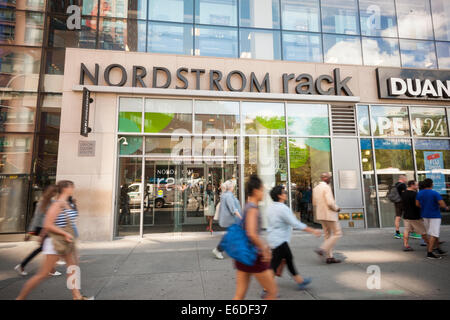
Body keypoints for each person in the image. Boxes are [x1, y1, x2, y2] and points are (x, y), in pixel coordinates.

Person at [16, 180, 93, 300]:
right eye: (72, 186)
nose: (73, 188)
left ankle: (77, 296)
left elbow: (69, 220)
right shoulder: (57, 204)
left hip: (66, 242)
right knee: (43, 274)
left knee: (73, 268)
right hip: (55, 243)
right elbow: (48, 224)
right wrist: (64, 234)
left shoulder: (67, 202)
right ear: (66, 188)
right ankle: (20, 297)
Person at [266, 185, 321, 292]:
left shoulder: (271, 207)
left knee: (289, 260)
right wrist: (313, 230)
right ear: (279, 196)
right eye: (284, 192)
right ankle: (266, 289)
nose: (286, 193)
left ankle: (300, 281)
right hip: (280, 241)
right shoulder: (282, 209)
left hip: (275, 239)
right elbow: (295, 223)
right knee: (274, 265)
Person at [233, 175, 278, 300]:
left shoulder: (247, 207)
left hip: (242, 255)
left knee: (239, 294)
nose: (263, 193)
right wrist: (264, 248)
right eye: (262, 190)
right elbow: (251, 233)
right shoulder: (253, 208)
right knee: (272, 291)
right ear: (256, 191)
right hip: (253, 256)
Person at [14, 185, 62, 277]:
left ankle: (50, 268)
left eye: (56, 192)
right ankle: (23, 266)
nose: (55, 193)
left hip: (48, 228)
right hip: (43, 229)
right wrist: (30, 233)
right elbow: (36, 219)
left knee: (46, 248)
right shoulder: (41, 204)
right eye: (54, 192)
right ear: (50, 193)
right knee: (46, 248)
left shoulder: (52, 202)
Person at [312, 172, 343, 264]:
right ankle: (322, 249)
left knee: (327, 235)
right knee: (337, 233)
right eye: (330, 178)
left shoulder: (316, 188)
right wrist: (337, 208)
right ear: (326, 179)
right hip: (329, 214)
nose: (330, 179)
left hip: (321, 215)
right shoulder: (326, 187)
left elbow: (314, 202)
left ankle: (329, 257)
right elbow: (330, 203)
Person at [416, 178, 448, 260]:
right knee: (434, 234)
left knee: (433, 233)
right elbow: (442, 204)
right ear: (431, 184)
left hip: (425, 215)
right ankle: (430, 252)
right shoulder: (434, 193)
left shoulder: (420, 193)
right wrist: (445, 207)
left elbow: (417, 204)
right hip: (435, 216)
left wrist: (425, 207)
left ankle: (437, 248)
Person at [212, 180, 242, 259]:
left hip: (230, 219)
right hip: (231, 219)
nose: (233, 187)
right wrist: (241, 217)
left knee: (233, 235)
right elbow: (233, 209)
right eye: (233, 186)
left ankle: (234, 250)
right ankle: (218, 249)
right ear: (230, 187)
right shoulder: (228, 196)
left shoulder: (226, 195)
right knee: (231, 236)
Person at [400, 180, 429, 251]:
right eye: (416, 185)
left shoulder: (403, 193)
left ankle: (406, 245)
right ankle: (430, 245)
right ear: (412, 185)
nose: (417, 186)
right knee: (423, 231)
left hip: (406, 215)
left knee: (406, 230)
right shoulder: (415, 194)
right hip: (415, 216)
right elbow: (419, 204)